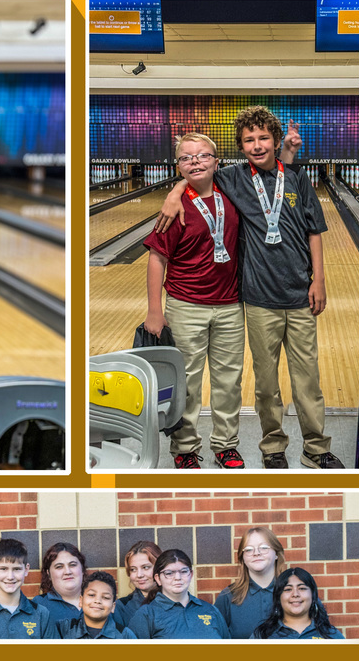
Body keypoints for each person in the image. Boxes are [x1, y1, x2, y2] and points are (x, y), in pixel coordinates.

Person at [157, 107, 344, 469]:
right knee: (266, 385)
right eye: (249, 140)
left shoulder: (299, 179)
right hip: (258, 301)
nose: (257, 145)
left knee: (309, 380)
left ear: (274, 140)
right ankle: (272, 447)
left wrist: (319, 280)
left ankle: (316, 449)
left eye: (263, 138)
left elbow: (314, 232)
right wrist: (175, 190)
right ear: (240, 147)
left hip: (300, 297)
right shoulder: (234, 178)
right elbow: (199, 172)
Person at [143, 133, 245, 469]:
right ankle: (185, 448)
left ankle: (226, 445)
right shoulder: (175, 208)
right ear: (178, 166)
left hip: (230, 305)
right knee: (186, 385)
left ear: (217, 162)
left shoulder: (232, 195)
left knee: (229, 383)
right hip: (186, 305)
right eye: (187, 158)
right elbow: (157, 258)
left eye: (203, 155)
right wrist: (155, 311)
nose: (196, 162)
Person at [127, 549, 229, 639]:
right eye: (169, 573)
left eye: (183, 571)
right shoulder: (147, 614)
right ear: (158, 579)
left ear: (191, 574)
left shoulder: (211, 610)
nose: (177, 577)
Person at [215, 527, 286, 638]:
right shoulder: (228, 597)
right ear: (242, 557)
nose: (256, 553)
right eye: (248, 549)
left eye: (263, 547)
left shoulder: (295, 594)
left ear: (276, 553)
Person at [251, 567, 344, 639]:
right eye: (288, 589)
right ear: (278, 597)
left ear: (313, 595)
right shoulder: (262, 635)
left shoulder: (331, 635)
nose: (295, 594)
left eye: (302, 588)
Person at [55, 572, 136, 640]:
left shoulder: (125, 636)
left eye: (105, 597)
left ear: (113, 606)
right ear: (81, 601)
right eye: (91, 595)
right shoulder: (63, 629)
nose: (97, 601)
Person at [32, 542, 86, 625]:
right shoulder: (39, 605)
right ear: (48, 574)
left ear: (82, 569)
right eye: (59, 567)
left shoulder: (102, 601)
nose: (67, 572)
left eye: (72, 565)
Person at [116, 540, 161, 626]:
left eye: (145, 567)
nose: (139, 575)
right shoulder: (121, 607)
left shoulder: (176, 600)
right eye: (133, 569)